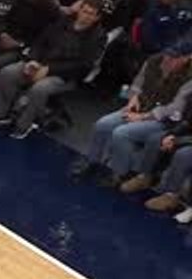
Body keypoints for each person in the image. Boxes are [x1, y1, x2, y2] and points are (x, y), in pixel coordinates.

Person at [0, 0, 105, 138]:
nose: (85, 16)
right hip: (40, 63)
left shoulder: (98, 37)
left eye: (91, 14)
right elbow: (40, 42)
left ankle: (23, 125)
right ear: (79, 10)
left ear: (97, 17)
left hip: (65, 76)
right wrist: (33, 60)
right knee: (8, 72)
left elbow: (83, 65)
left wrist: (49, 69)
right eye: (84, 11)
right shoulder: (62, 21)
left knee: (40, 88)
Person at [72, 41, 192, 185]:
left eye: (174, 57)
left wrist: (143, 117)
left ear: (186, 58)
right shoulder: (153, 60)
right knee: (102, 124)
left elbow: (176, 107)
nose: (167, 59)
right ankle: (92, 160)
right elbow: (137, 83)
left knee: (122, 133)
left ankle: (120, 172)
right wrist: (133, 97)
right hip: (140, 107)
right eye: (168, 54)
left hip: (162, 120)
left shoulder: (189, 78)